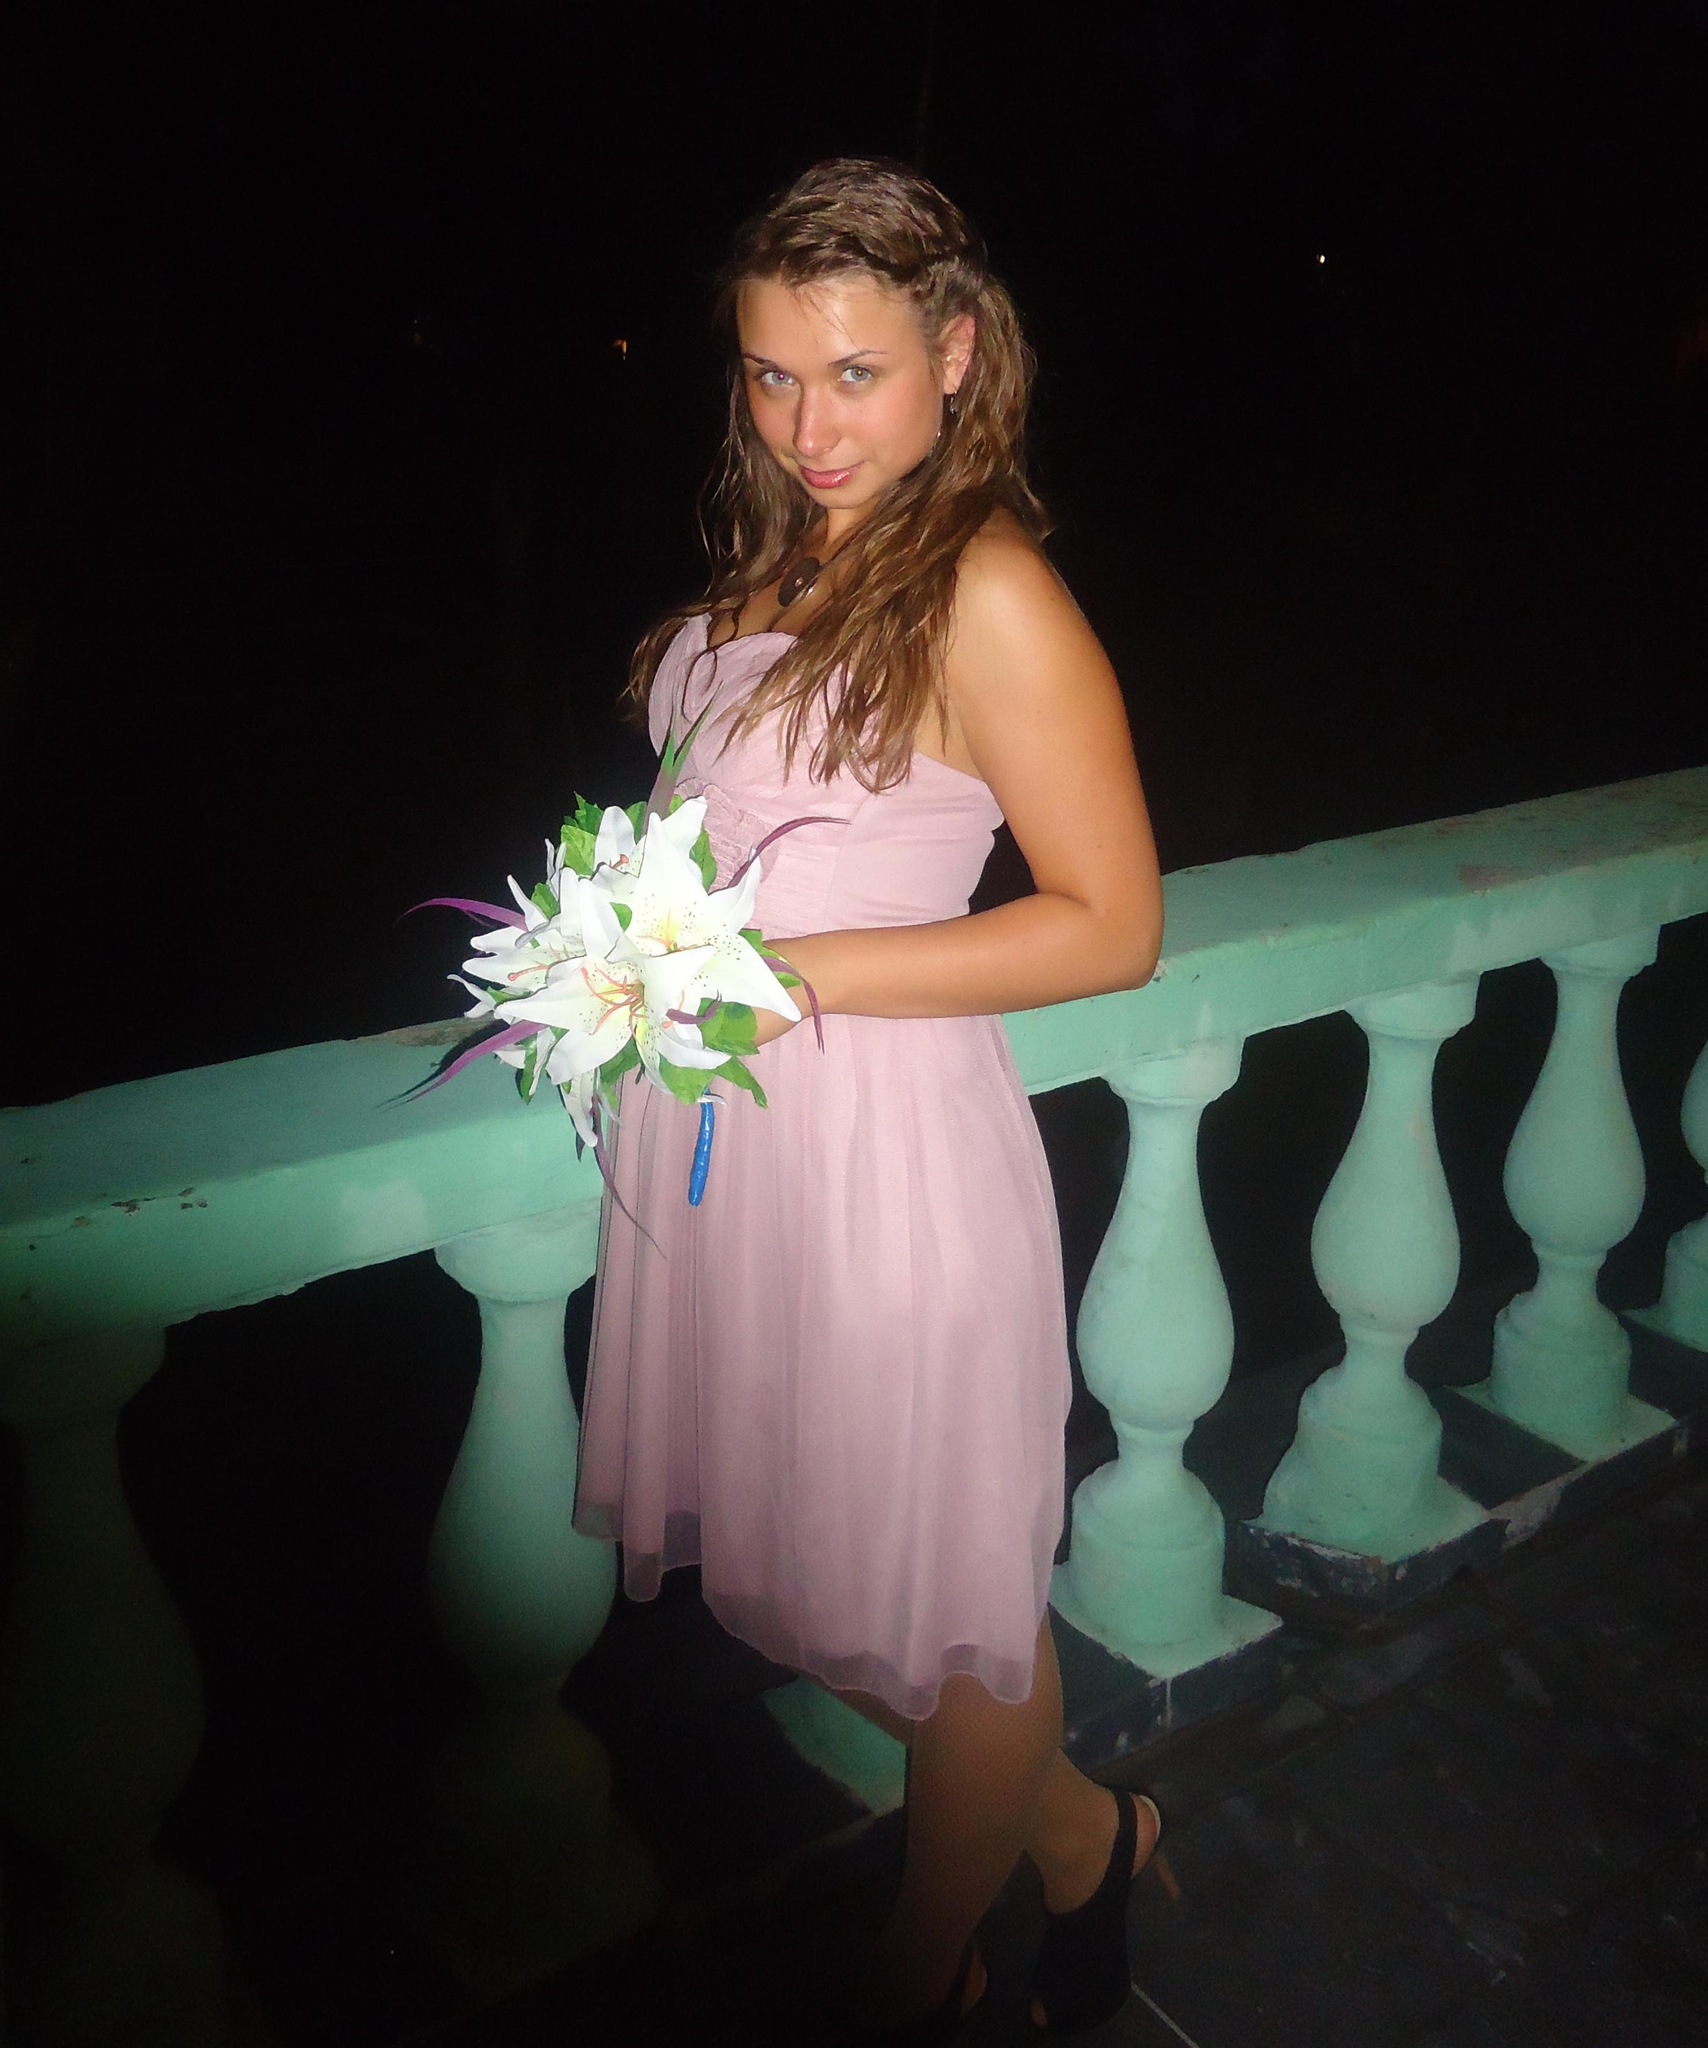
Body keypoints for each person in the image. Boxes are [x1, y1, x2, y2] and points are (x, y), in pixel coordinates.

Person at [574, 157, 1165, 2043]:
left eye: (854, 373)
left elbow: (1113, 923)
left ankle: (920, 1978)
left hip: (893, 1163)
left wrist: (790, 972)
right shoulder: (777, 569)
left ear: (956, 355)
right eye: (771, 375)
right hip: (739, 1161)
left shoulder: (990, 591)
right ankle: (1086, 1839)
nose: (809, 425)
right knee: (820, 1575)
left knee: (945, 1611)